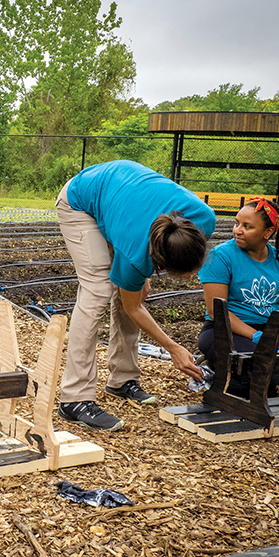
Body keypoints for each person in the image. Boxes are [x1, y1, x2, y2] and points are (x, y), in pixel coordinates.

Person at [56, 160, 217, 432]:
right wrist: (173, 347)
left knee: (128, 287)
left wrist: (138, 279)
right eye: (185, 273)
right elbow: (134, 308)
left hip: (122, 198)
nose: (191, 278)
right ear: (159, 261)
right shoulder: (136, 255)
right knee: (97, 289)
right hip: (81, 200)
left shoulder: (204, 219)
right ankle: (75, 398)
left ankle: (122, 379)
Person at [197, 197, 279, 397]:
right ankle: (218, 367)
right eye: (237, 223)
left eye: (247, 226)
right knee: (259, 381)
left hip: (268, 334)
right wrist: (255, 336)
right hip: (224, 331)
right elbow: (216, 312)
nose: (237, 230)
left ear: (268, 233)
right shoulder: (220, 257)